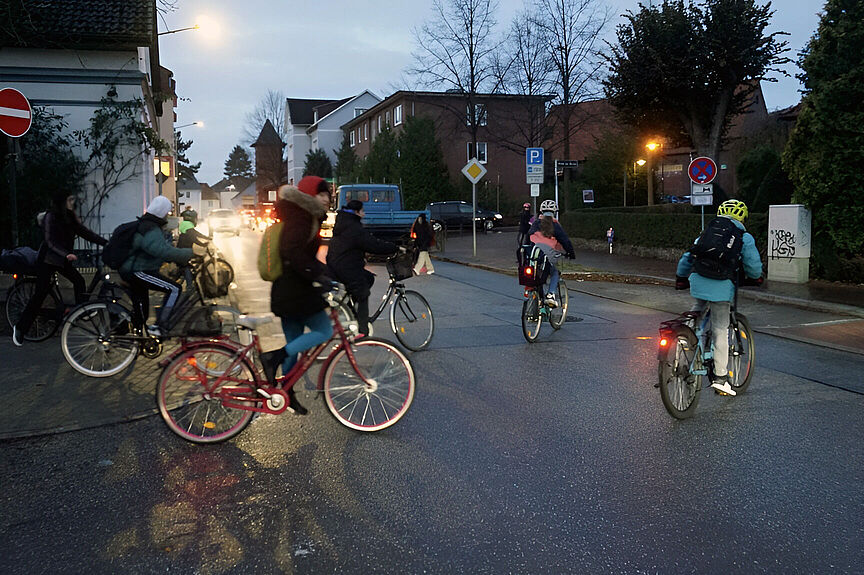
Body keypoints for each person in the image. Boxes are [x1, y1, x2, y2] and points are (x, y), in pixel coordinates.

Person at [259, 176, 334, 414]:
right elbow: (291, 250)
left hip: (288, 290)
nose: (326, 199)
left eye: (328, 195)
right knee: (325, 331)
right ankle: (273, 358)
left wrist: (323, 273)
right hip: (295, 291)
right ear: (310, 195)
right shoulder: (302, 217)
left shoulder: (300, 215)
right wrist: (316, 274)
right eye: (322, 194)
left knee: (294, 343)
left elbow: (302, 254)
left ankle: (285, 391)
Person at [676, 199, 762, 396]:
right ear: (743, 217)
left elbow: (689, 256)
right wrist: (757, 278)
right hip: (722, 284)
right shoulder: (743, 236)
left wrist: (681, 277)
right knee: (720, 329)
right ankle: (721, 378)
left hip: (698, 279)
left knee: (699, 304)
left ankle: (685, 335)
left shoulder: (707, 232)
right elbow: (753, 263)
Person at [12, 191, 108, 346]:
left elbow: (85, 233)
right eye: (70, 200)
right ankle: (20, 328)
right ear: (62, 202)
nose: (72, 202)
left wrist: (105, 243)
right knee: (40, 293)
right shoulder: (50, 217)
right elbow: (49, 241)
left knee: (79, 280)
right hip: (48, 260)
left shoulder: (69, 218)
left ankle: (82, 310)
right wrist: (66, 254)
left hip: (62, 259)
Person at [118, 196, 195, 339]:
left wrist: (181, 257)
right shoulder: (150, 228)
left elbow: (161, 250)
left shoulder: (148, 224)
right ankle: (160, 327)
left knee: (142, 312)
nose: (168, 215)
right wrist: (191, 253)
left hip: (136, 270)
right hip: (138, 271)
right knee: (174, 289)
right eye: (167, 212)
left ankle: (125, 336)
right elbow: (162, 251)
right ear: (162, 212)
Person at [326, 199, 400, 336]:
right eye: (362, 211)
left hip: (335, 265)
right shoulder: (354, 228)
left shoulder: (344, 223)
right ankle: (362, 331)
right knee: (362, 292)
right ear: (356, 212)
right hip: (346, 267)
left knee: (368, 278)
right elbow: (373, 244)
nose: (364, 214)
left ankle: (349, 312)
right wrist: (394, 248)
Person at [527, 200, 575, 308]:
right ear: (555, 212)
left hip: (534, 255)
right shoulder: (555, 225)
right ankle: (550, 294)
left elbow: (528, 237)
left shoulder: (535, 223)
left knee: (535, 275)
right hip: (548, 256)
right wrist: (571, 253)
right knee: (555, 272)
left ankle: (535, 297)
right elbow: (565, 241)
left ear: (541, 211)